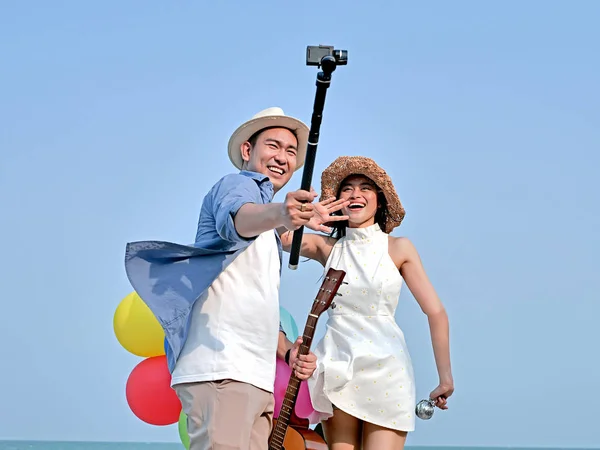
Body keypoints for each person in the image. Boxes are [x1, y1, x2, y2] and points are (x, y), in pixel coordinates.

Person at [124, 107, 346, 450]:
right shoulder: (239, 185)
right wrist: (281, 213)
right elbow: (238, 220)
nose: (283, 158)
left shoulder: (269, 230)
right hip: (221, 369)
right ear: (247, 150)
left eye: (291, 151)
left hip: (253, 376)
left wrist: (287, 351)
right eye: (273, 146)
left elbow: (249, 302)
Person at [277, 156, 454, 450]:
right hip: (336, 364)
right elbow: (280, 236)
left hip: (387, 369)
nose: (355, 194)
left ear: (380, 200)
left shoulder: (399, 247)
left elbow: (435, 311)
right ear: (337, 201)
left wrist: (445, 377)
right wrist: (309, 217)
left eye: (365, 188)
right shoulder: (327, 247)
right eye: (347, 189)